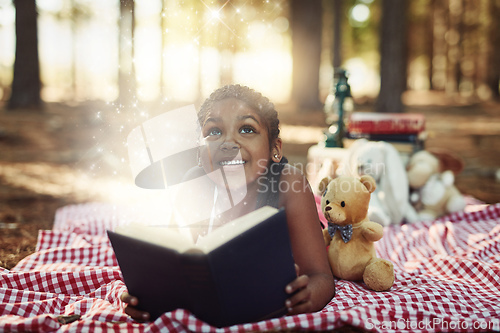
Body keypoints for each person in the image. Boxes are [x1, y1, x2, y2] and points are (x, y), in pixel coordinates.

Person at [121, 84, 335, 321]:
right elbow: (174, 261)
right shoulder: (194, 184)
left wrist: (308, 296)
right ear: (199, 153)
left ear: (275, 148)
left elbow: (321, 277)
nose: (228, 142)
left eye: (246, 129)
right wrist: (148, 296)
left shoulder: (288, 183)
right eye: (213, 132)